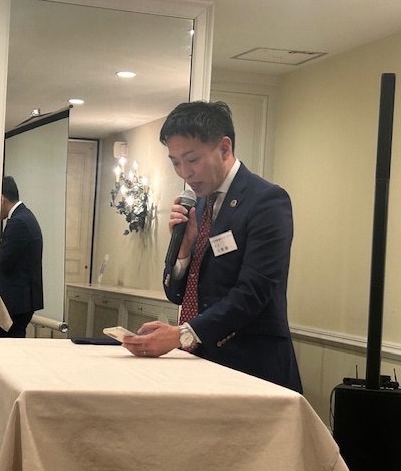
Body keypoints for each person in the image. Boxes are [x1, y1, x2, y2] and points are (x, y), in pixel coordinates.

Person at [122, 101, 303, 393]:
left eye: (192, 159)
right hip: (200, 364)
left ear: (224, 148)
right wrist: (183, 251)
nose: (184, 172)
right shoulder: (198, 203)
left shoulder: (267, 201)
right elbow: (177, 294)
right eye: (175, 162)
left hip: (253, 368)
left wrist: (181, 335)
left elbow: (253, 292)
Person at [0, 176, 44, 338]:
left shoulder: (18, 222)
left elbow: (3, 261)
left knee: (5, 347)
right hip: (22, 300)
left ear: (1, 199)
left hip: (16, 302)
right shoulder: (25, 216)